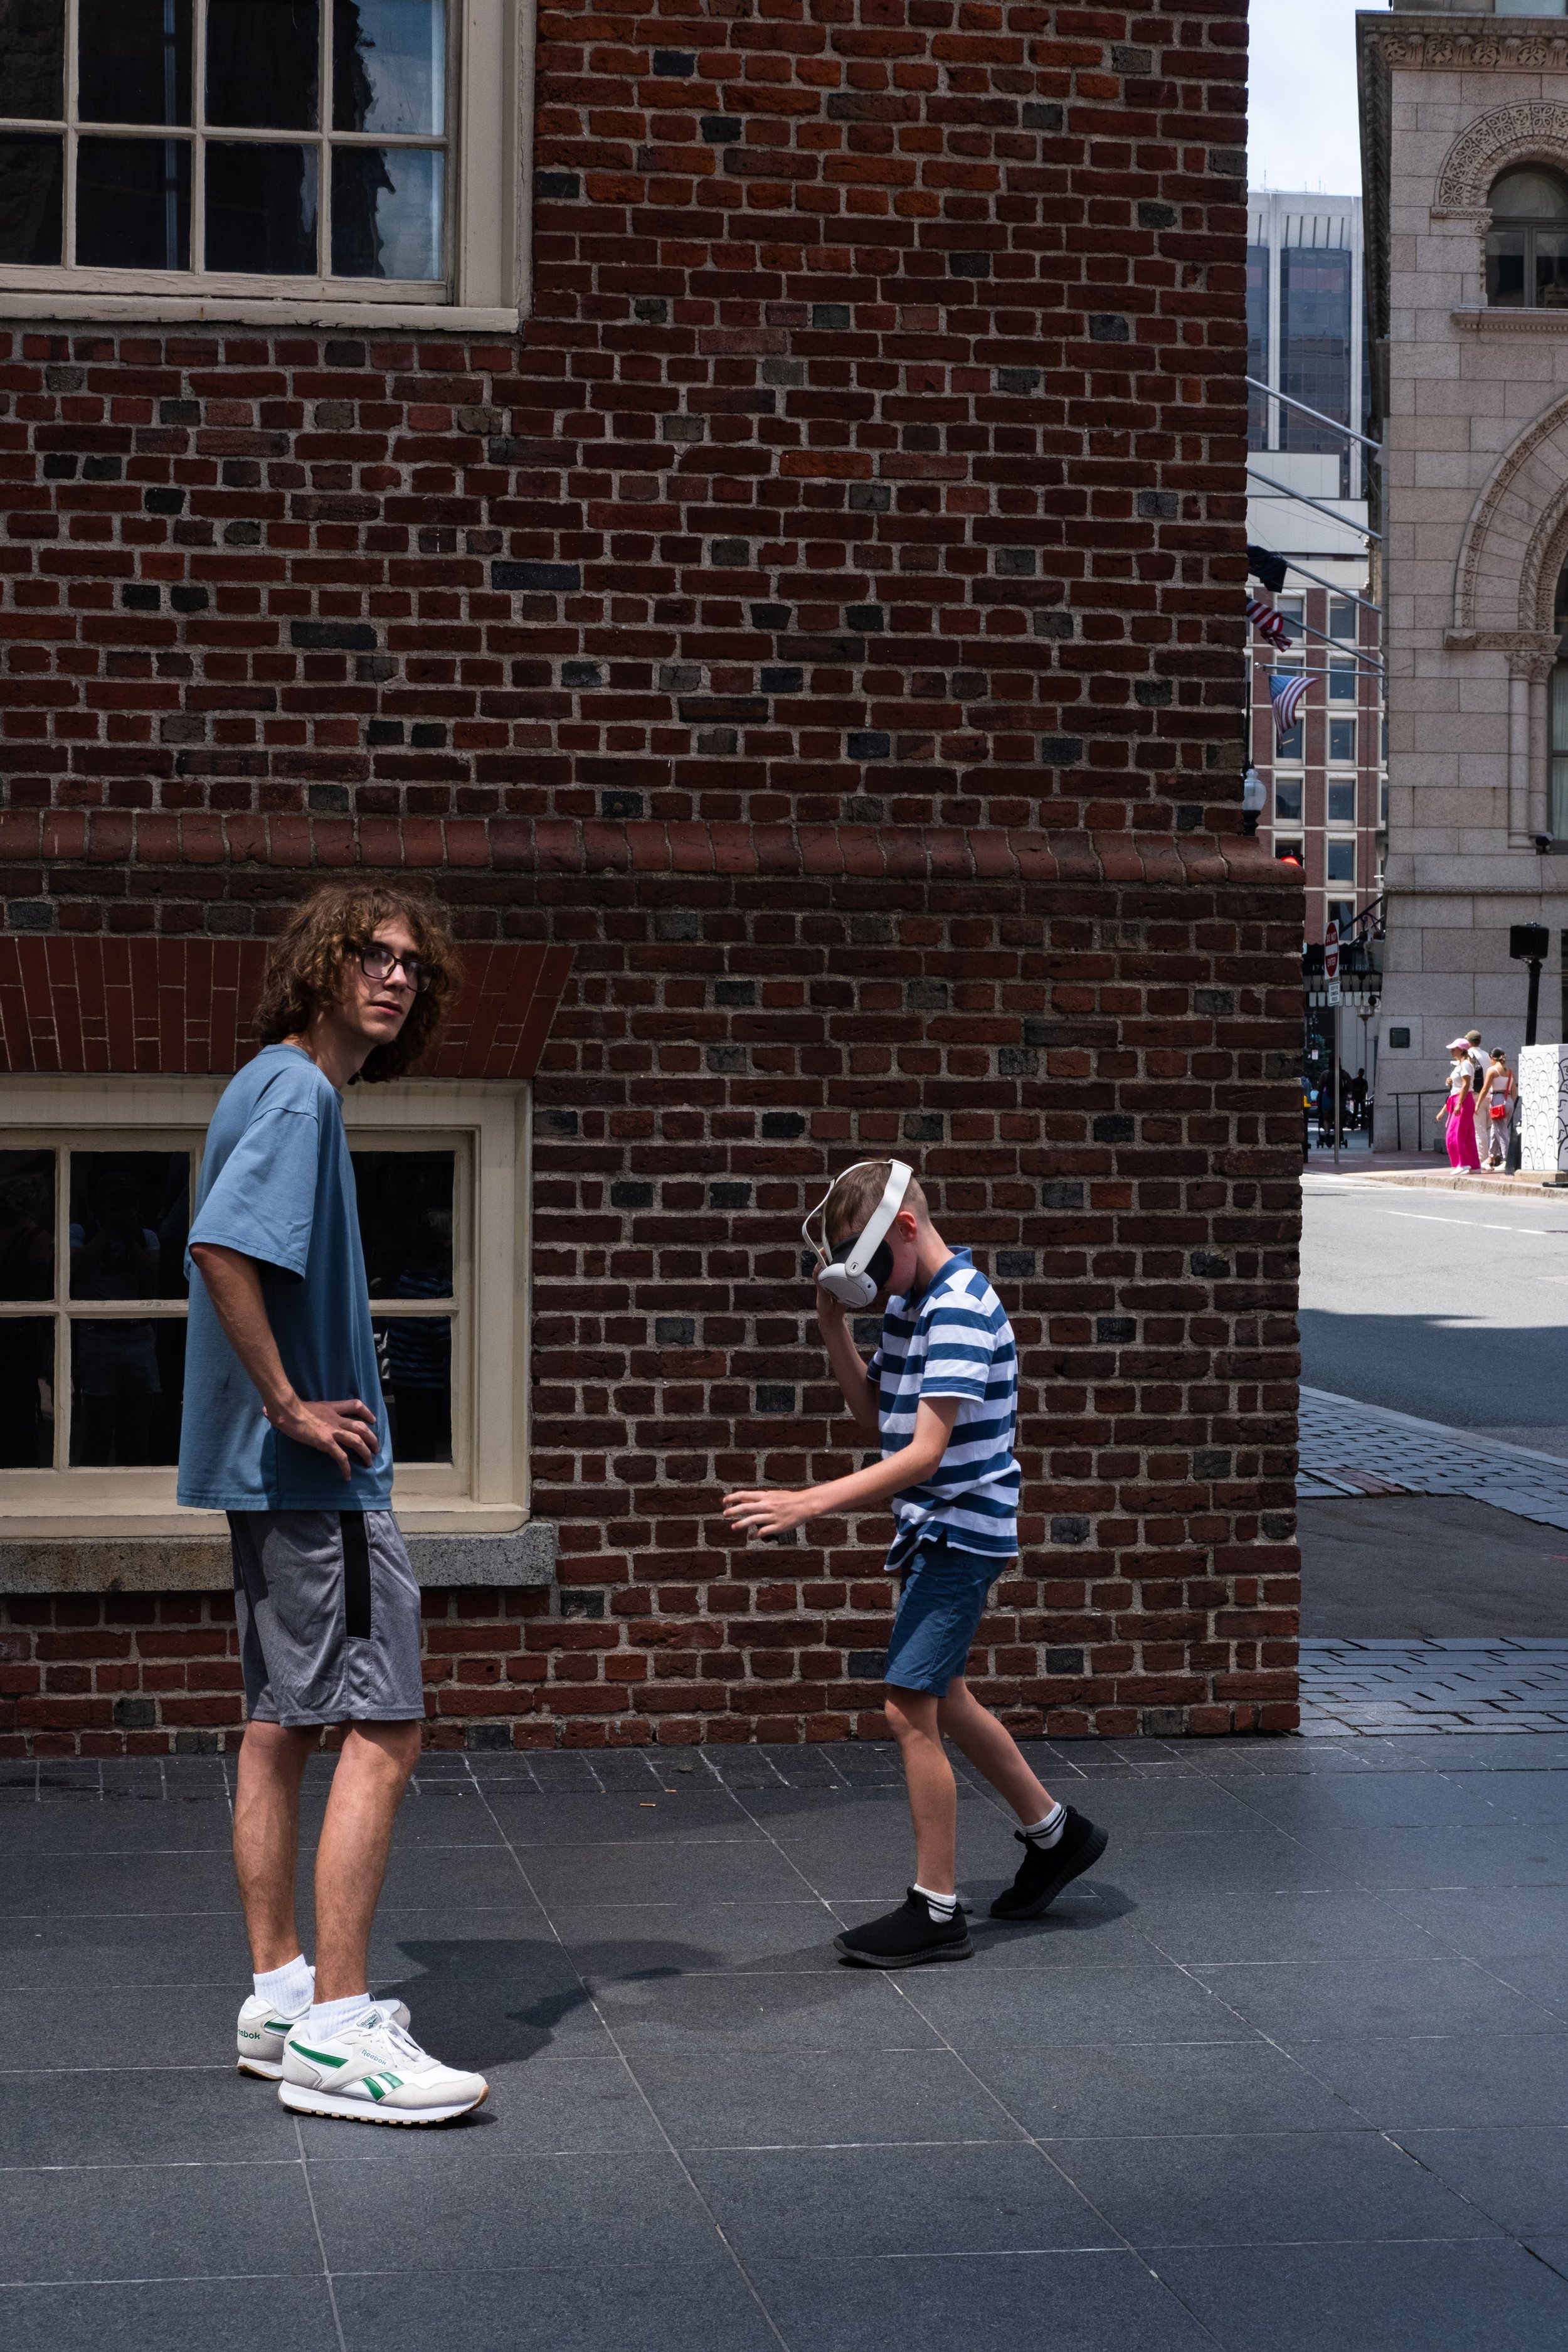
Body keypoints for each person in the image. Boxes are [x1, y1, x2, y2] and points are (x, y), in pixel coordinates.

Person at [178, 881, 488, 2126]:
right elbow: (220, 1244)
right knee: (385, 1722)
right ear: (320, 964)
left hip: (269, 1488)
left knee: (281, 1722)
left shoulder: (266, 1083)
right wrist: (294, 1405)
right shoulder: (299, 1092)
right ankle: (342, 2028)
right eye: (371, 952)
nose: (395, 974)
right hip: (319, 1484)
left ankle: (279, 1999)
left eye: (411, 961)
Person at [723, 1161, 1106, 1966]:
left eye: (865, 1263)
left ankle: (937, 1910)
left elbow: (925, 1454)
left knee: (907, 1707)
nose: (864, 1283)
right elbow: (878, 1419)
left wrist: (807, 1502)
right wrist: (833, 1327)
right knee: (944, 1693)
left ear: (904, 1228)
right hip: (934, 1527)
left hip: (959, 1530)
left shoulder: (960, 1306)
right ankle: (1057, 1834)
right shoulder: (909, 1305)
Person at [1436, 1041, 1480, 1171]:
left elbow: (1466, 1085)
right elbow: (1462, 1084)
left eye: (1454, 1049)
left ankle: (1463, 1163)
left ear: (1461, 1050)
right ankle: (1473, 1165)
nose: (1451, 1052)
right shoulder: (1463, 1064)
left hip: (1462, 1099)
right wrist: (1451, 1082)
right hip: (1461, 1099)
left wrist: (1460, 1103)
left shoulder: (1465, 1064)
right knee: (1467, 1135)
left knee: (1454, 1133)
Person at [1478, 1045, 1516, 1170]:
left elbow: (1485, 1089)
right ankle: (1491, 1158)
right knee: (1496, 1130)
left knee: (1502, 1132)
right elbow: (1514, 1091)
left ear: (1492, 1057)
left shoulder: (1492, 1070)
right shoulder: (1510, 1071)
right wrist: (1510, 1103)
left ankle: (1507, 1160)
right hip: (1508, 1101)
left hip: (1497, 1100)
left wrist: (1478, 1104)